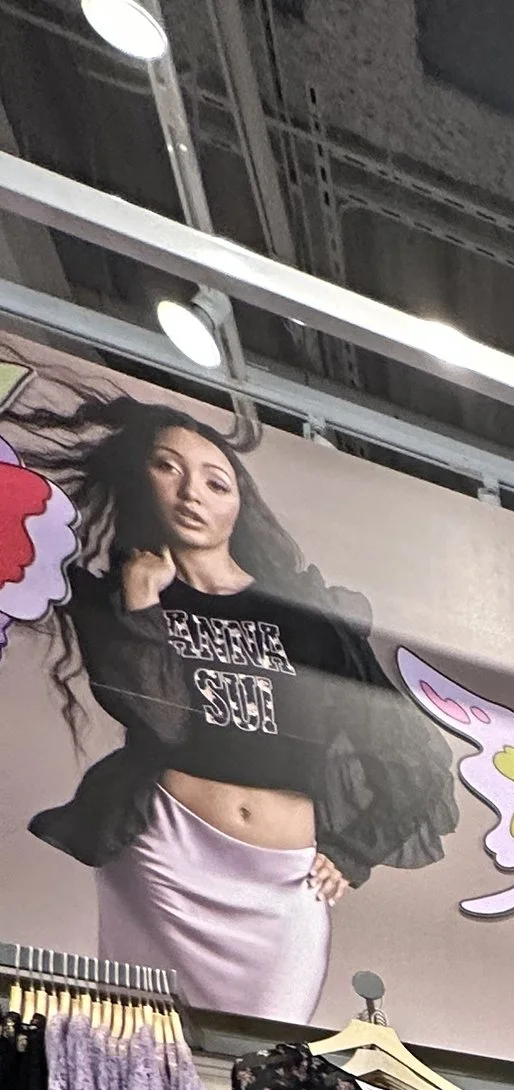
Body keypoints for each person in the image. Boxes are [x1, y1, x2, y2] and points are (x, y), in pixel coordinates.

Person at [23, 387, 454, 1022]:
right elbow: (162, 722)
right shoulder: (118, 600)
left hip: (284, 884)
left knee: (265, 1066)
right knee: (147, 1047)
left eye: (215, 482)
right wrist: (142, 601)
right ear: (141, 480)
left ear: (238, 504)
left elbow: (410, 751)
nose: (191, 493)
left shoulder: (305, 618)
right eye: (168, 467)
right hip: (162, 860)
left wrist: (356, 852)